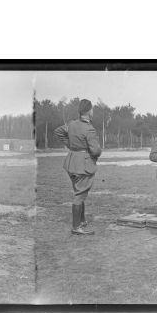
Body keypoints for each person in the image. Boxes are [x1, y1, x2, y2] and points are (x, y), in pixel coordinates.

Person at [54, 99, 102, 235]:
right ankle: (76, 227)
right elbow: (96, 151)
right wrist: (94, 154)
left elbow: (58, 131)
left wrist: (70, 145)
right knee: (80, 195)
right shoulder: (89, 129)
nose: (93, 111)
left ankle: (81, 221)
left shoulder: (71, 124)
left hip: (71, 162)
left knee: (78, 192)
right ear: (89, 111)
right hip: (83, 165)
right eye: (92, 109)